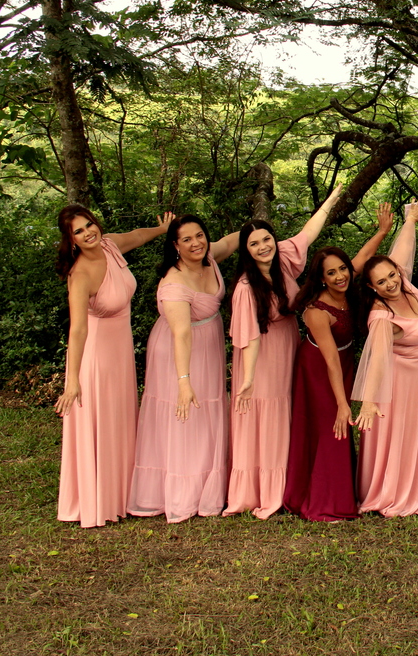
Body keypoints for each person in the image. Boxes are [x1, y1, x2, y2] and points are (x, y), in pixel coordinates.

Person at [223, 186, 347, 518]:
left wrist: (332, 199)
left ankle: (290, 483)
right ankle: (263, 490)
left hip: (289, 347)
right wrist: (247, 378)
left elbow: (309, 232)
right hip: (260, 358)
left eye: (266, 240)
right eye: (254, 244)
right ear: (246, 252)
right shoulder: (246, 288)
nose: (262, 247)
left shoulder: (285, 261)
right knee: (265, 416)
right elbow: (250, 337)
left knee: (287, 412)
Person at [54, 206, 173, 528]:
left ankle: (123, 494)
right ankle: (98, 499)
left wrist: (161, 230)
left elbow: (136, 236)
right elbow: (77, 330)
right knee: (102, 424)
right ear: (71, 240)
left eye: (89, 225)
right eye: (78, 231)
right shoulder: (79, 275)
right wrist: (72, 380)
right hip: (97, 360)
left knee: (121, 420)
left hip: (120, 354)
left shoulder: (109, 245)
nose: (87, 233)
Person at [283, 203, 394, 521]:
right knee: (334, 424)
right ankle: (326, 501)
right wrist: (343, 403)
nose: (340, 275)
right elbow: (330, 359)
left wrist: (383, 231)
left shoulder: (347, 282)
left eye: (342, 269)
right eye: (330, 273)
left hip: (345, 362)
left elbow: (361, 257)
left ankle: (343, 489)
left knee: (338, 425)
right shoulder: (317, 311)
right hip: (318, 367)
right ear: (320, 279)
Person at [128, 215, 240, 523]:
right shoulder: (174, 283)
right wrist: (183, 381)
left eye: (200, 235)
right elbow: (181, 334)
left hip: (209, 345)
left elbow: (230, 242)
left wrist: (253, 233)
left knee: (208, 412)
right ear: (175, 246)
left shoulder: (209, 257)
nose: (196, 243)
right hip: (178, 354)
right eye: (187, 239)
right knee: (185, 415)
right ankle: (181, 494)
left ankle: (209, 486)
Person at [351, 199, 418, 517]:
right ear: (371, 287)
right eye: (382, 282)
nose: (391, 283)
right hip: (401, 383)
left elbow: (402, 249)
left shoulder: (402, 280)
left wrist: (410, 220)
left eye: (391, 275)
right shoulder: (380, 316)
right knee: (402, 434)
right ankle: (393, 489)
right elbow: (376, 359)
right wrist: (370, 401)